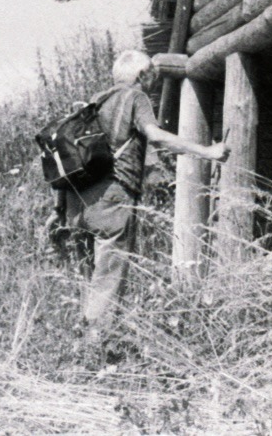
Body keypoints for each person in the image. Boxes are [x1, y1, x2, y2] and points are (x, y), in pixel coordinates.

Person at [61, 49, 228, 338]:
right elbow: (156, 136)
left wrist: (58, 207)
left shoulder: (95, 102)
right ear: (141, 76)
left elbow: (66, 154)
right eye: (152, 75)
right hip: (112, 197)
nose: (154, 82)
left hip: (77, 199)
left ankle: (83, 334)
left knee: (91, 276)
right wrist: (207, 152)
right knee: (109, 278)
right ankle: (93, 347)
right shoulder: (135, 97)